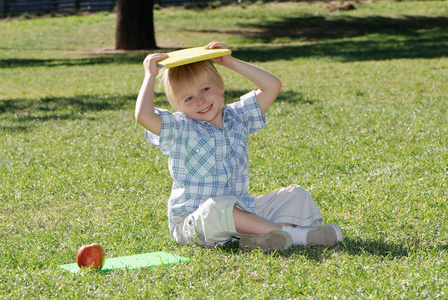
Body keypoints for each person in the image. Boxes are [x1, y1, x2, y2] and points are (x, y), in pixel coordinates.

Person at [135, 41, 343, 251]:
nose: (200, 100)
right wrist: (149, 76)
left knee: (295, 195)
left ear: (221, 86)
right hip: (195, 222)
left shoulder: (237, 117)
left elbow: (272, 86)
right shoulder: (181, 128)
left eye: (205, 89)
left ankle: (263, 239)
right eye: (188, 98)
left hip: (241, 210)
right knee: (218, 207)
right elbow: (143, 115)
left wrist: (229, 61)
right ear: (178, 106)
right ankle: (298, 236)